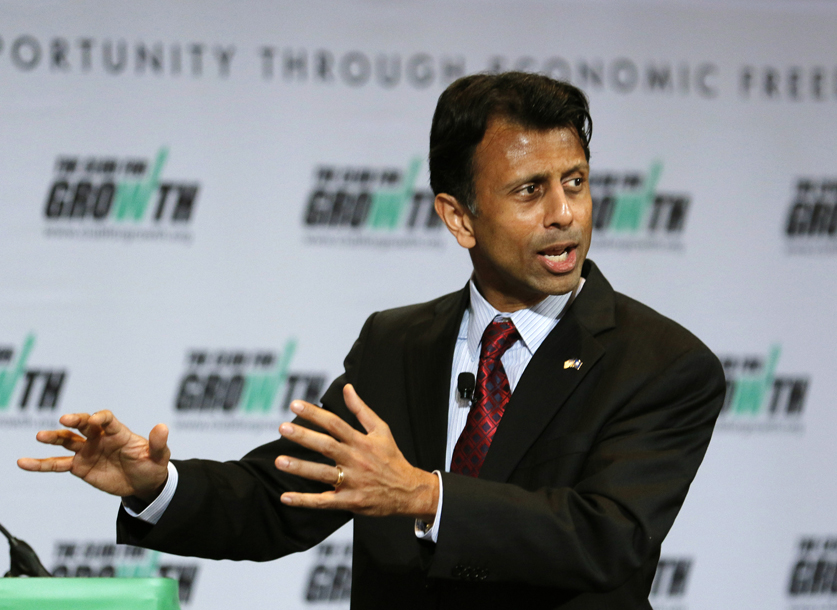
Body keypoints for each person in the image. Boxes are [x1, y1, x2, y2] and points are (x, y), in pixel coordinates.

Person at [19, 72, 725, 609]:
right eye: (528, 190)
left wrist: (425, 496)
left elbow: (611, 540)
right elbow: (279, 500)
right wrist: (158, 485)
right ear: (459, 217)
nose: (563, 213)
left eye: (574, 182)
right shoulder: (398, 343)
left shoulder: (660, 363)